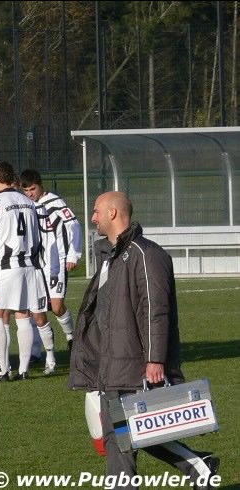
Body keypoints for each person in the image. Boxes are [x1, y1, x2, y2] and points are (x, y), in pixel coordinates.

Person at [69, 191, 219, 489]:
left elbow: (155, 310)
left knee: (125, 433)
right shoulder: (110, 256)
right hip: (111, 364)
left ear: (113, 213)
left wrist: (154, 359)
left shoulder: (146, 254)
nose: (93, 218)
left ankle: (197, 467)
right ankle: (199, 466)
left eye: (97, 211)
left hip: (134, 364)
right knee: (121, 434)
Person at [0, 161, 49, 382]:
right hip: (28, 266)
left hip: (4, 267)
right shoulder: (29, 203)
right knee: (23, 316)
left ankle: (1, 369)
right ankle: (24, 370)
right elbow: (38, 237)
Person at [20, 169, 82, 352]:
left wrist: (73, 254)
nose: (30, 194)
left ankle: (71, 336)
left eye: (33, 189)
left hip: (57, 261)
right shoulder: (27, 205)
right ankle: (39, 350)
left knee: (56, 307)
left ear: (40, 185)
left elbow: (74, 225)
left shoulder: (54, 202)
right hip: (37, 263)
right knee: (35, 309)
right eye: (26, 190)